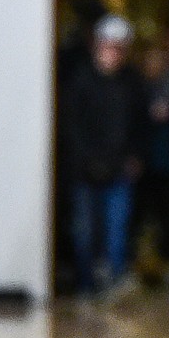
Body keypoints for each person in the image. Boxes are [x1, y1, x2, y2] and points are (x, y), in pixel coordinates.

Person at [60, 15, 146, 297]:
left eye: (120, 48)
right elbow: (72, 128)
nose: (114, 53)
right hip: (85, 171)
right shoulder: (80, 81)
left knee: (116, 231)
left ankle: (113, 282)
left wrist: (134, 156)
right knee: (84, 231)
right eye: (110, 46)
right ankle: (86, 283)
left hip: (119, 169)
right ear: (98, 45)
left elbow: (139, 123)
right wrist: (84, 161)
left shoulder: (132, 82)